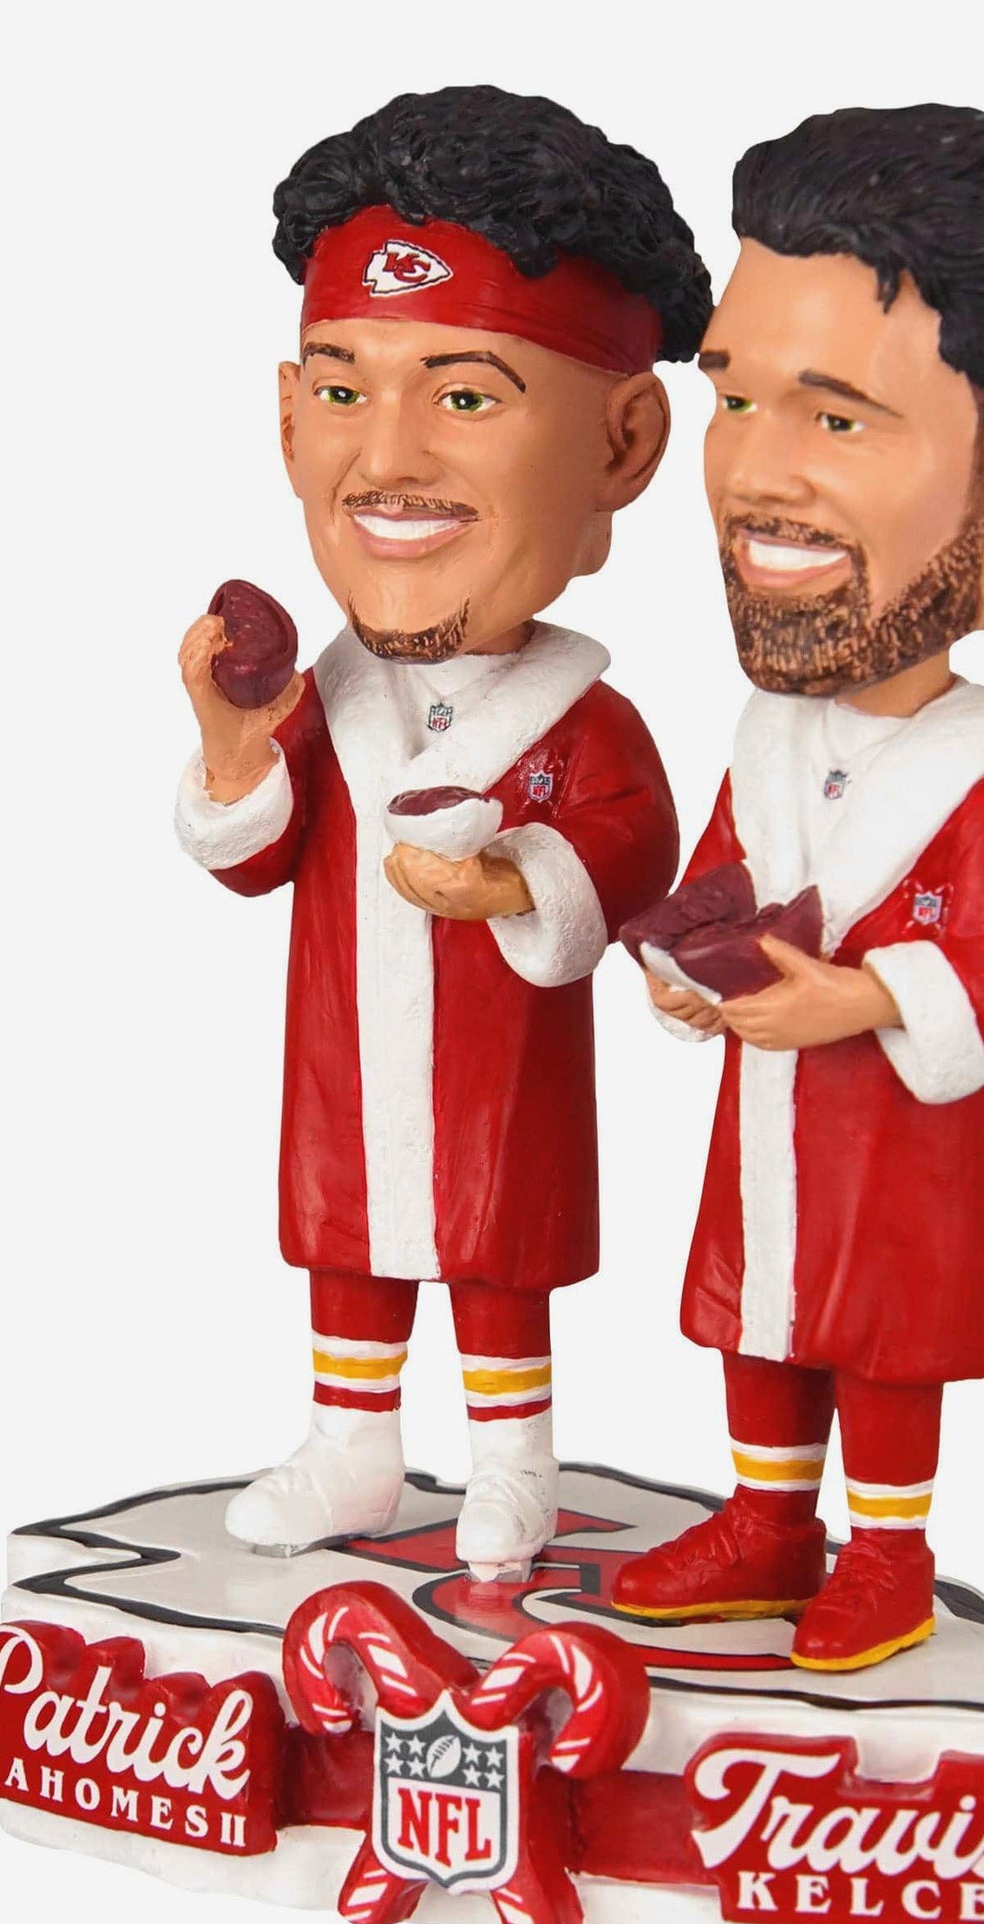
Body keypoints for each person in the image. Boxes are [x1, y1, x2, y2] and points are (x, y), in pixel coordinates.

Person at [612, 105, 984, 1668]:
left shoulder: (981, 785)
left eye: (838, 419)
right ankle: (768, 1522)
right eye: (735, 400)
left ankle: (889, 1552)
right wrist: (684, 965)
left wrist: (862, 1001)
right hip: (767, 1126)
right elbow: (720, 877)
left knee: (882, 1346)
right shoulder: (768, 744)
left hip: (898, 1151)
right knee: (760, 1323)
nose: (752, 476)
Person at [175, 88, 704, 1579]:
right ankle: (351, 1443)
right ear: (289, 417)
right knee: (348, 1237)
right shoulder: (318, 690)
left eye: (466, 398)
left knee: (493, 1249)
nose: (386, 459)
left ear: (621, 445)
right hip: (340, 1064)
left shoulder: (578, 717)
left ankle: (511, 1463)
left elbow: (631, 848)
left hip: (499, 1072)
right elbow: (253, 853)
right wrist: (233, 742)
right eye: (344, 392)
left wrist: (516, 880)